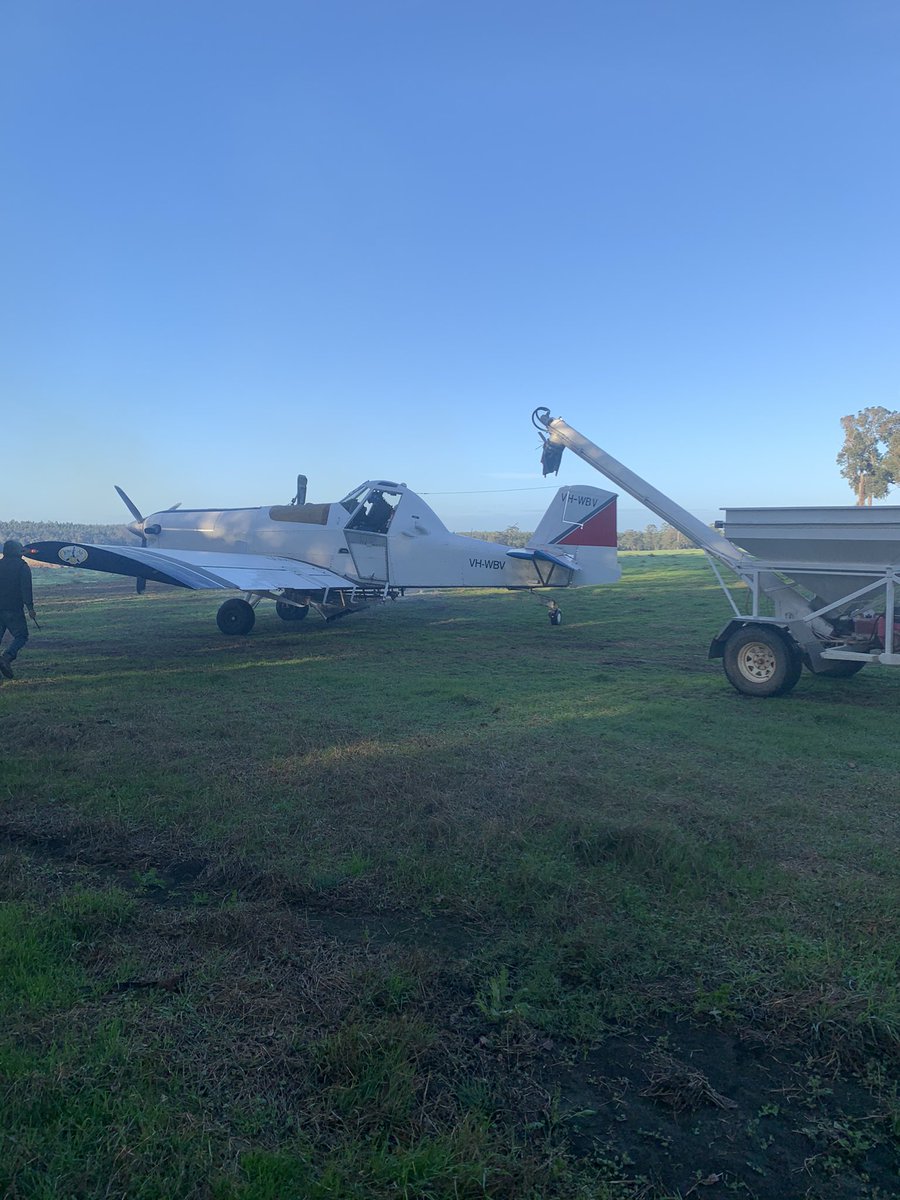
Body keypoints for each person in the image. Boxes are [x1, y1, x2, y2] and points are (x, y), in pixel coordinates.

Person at [0, 539, 36, 679]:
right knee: (21, 636)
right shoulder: (22, 567)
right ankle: (7, 658)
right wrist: (30, 608)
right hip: (13, 608)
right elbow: (26, 589)